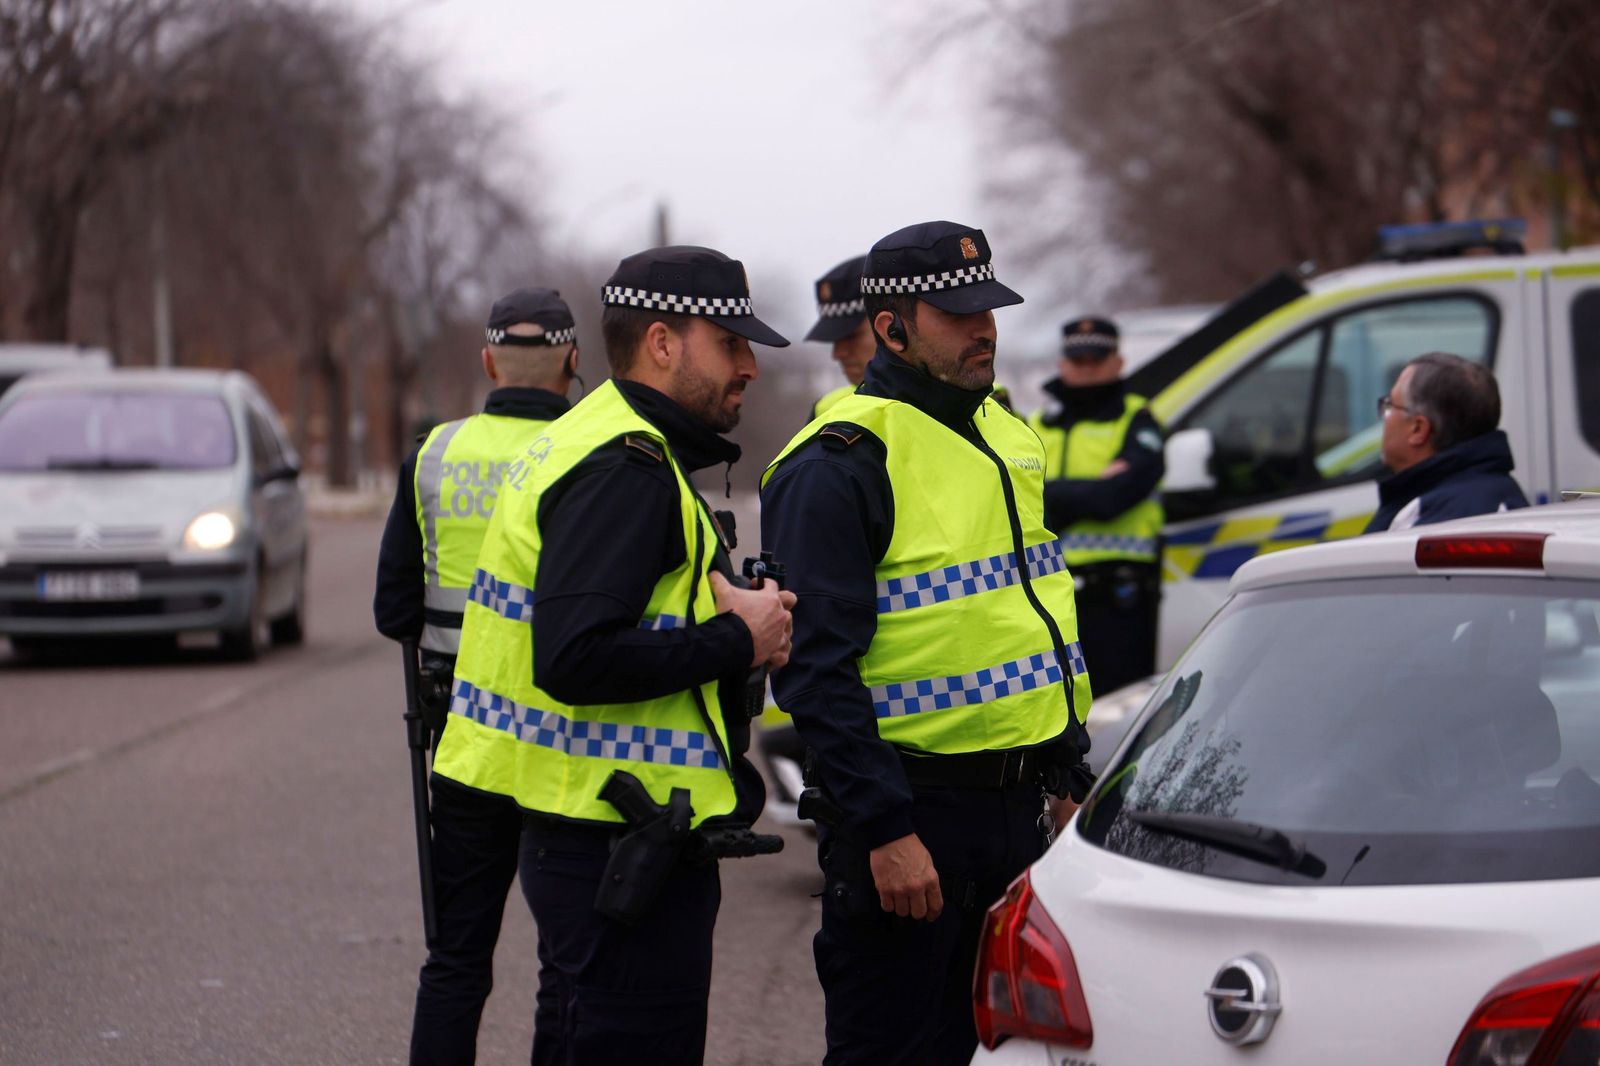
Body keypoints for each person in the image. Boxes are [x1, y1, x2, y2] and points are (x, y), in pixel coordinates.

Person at [432, 246, 795, 1066]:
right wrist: (740, 638)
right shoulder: (625, 467)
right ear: (661, 343)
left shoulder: (602, 437)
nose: (749, 366)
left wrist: (722, 609)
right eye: (730, 343)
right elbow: (575, 656)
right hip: (617, 841)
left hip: (592, 833)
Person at [760, 221, 1094, 1066]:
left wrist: (1066, 770)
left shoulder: (1005, 434)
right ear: (892, 328)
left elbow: (1027, 617)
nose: (984, 329)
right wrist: (884, 830)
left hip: (1017, 812)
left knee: (1002, 1052)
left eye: (989, 309)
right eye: (958, 314)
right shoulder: (839, 461)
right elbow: (816, 672)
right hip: (912, 818)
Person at [373, 287, 579, 1066]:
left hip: (463, 736)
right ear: (572, 362)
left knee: (457, 957)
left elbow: (395, 610)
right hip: (568, 737)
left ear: (489, 362)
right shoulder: (594, 450)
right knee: (566, 959)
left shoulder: (434, 455)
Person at [1027, 316, 1165, 697]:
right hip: (1048, 591)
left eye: (1096, 359)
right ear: (1062, 363)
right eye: (1078, 360)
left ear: (1118, 362)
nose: (1086, 369)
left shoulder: (1138, 418)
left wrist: (1051, 493)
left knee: (1117, 705)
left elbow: (1113, 498)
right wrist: (1087, 490)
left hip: (1117, 598)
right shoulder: (1036, 423)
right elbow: (1017, 497)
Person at [1366, 351, 1529, 533]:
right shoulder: (1479, 495)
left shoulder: (1433, 519)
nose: (1384, 417)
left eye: (1389, 405)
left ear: (1418, 429)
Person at [804, 254, 875, 419]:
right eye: (836, 340)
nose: (837, 354)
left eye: (851, 336)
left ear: (890, 326)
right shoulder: (827, 409)